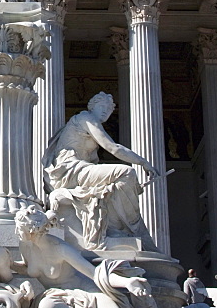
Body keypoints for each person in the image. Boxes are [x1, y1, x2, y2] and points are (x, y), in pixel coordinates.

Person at [13, 206, 196, 308]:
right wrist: (4, 263)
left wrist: (127, 283)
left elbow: (95, 274)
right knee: (46, 306)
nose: (16, 232)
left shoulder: (61, 249)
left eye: (19, 228)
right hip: (56, 296)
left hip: (85, 292)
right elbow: (27, 267)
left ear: (32, 230)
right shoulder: (25, 246)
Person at [43, 91, 158, 252]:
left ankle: (119, 228)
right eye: (102, 106)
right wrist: (143, 162)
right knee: (126, 173)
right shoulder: (86, 118)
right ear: (92, 106)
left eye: (109, 109)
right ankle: (132, 227)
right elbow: (113, 148)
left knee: (118, 183)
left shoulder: (87, 121)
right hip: (70, 171)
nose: (105, 111)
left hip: (79, 169)